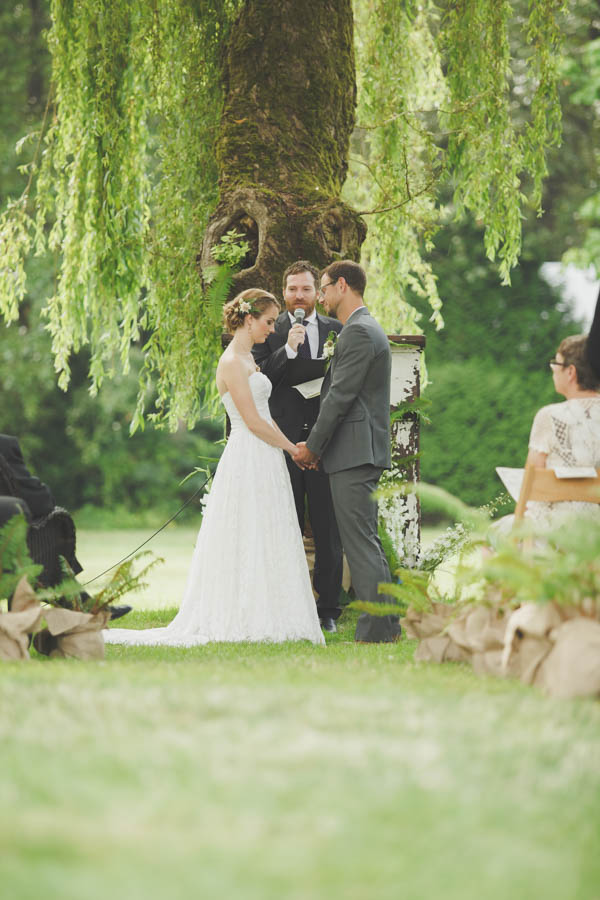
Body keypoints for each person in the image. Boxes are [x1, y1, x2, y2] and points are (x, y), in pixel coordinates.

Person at [105, 289, 325, 647]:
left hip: (265, 456)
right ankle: (239, 612)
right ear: (249, 319)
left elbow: (265, 413)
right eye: (269, 322)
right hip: (249, 456)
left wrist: (288, 448)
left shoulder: (250, 359)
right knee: (245, 531)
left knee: (267, 530)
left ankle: (271, 610)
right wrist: (292, 449)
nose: (273, 329)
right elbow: (252, 420)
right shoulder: (231, 363)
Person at [294, 261, 401, 643]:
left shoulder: (358, 332)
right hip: (358, 452)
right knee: (365, 540)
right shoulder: (362, 329)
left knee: (358, 544)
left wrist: (313, 447)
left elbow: (339, 397)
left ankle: (375, 630)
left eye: (322, 288)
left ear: (342, 285)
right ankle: (387, 625)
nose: (320, 296)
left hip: (355, 453)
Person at [252, 261, 343, 633]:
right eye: (292, 289)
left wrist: (319, 440)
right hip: (284, 446)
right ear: (284, 291)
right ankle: (286, 605)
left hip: (325, 444)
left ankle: (329, 611)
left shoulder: (340, 330)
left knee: (327, 531)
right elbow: (260, 379)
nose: (298, 296)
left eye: (305, 289)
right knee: (284, 527)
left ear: (317, 294)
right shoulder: (270, 332)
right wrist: (288, 350)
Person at [0, 434, 130, 619]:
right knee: (44, 528)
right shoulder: (3, 445)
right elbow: (38, 502)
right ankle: (78, 601)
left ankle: (80, 600)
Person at [497, 334, 600, 532]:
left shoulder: (551, 416)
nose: (553, 370)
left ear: (570, 372)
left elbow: (534, 479)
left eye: (556, 363)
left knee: (488, 538)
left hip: (556, 530)